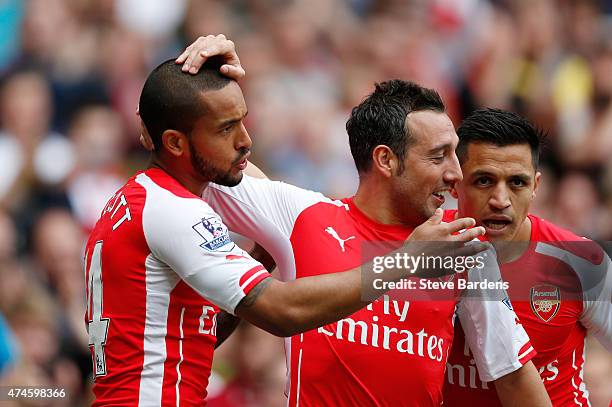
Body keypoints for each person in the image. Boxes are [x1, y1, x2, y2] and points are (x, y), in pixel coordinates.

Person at [84, 36, 486, 405]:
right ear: (173, 142)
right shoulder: (176, 209)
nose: (245, 140)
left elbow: (195, 335)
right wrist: (406, 260)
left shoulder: (143, 198)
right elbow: (280, 312)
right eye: (227, 128)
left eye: (243, 120)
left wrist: (262, 254)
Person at [178, 38, 550, 406]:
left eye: (455, 155)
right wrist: (206, 78)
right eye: (439, 157)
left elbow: (514, 377)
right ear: (386, 160)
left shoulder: (461, 244)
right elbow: (193, 157)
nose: (456, 174)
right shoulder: (302, 215)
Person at [443, 108, 612, 406]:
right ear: (455, 183)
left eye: (517, 183)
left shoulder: (580, 261)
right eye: (484, 180)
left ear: (536, 186)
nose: (500, 200)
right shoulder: (422, 247)